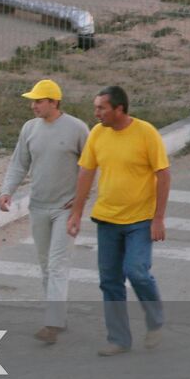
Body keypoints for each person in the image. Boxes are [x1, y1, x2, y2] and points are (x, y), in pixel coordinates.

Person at [67, 85, 169, 356]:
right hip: (107, 219)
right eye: (96, 107)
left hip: (140, 220)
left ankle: (155, 319)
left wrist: (158, 218)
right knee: (110, 280)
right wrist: (76, 212)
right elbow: (86, 173)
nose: (96, 113)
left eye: (101, 108)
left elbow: (164, 174)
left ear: (119, 109)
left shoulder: (146, 133)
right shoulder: (98, 134)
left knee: (136, 271)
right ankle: (119, 339)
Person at [0, 79, 90, 344]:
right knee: (45, 265)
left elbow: (92, 165)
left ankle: (52, 323)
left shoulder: (77, 129)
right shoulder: (29, 129)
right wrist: (7, 191)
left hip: (65, 209)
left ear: (54, 102)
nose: (33, 105)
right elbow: (19, 163)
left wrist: (81, 201)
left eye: (39, 101)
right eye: (33, 101)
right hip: (38, 206)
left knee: (58, 264)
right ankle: (57, 315)